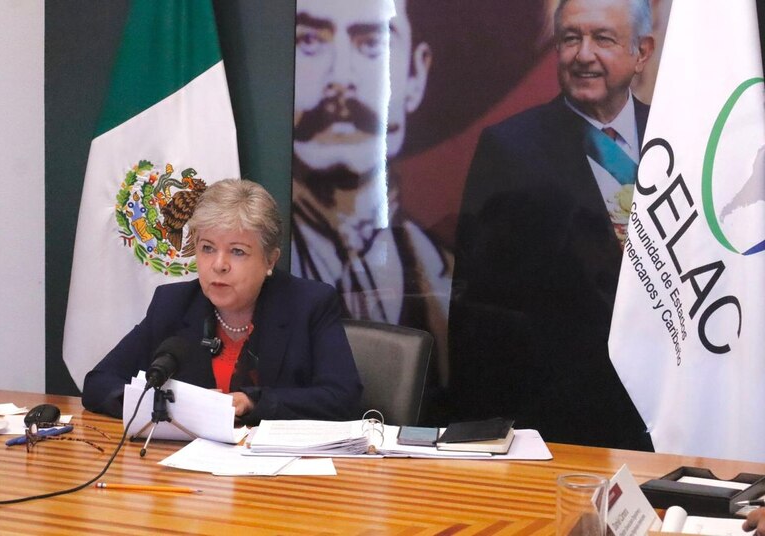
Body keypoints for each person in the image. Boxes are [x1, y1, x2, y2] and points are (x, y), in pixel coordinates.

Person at [448, 0, 656, 449]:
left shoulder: (680, 140)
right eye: (570, 39)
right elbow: (478, 309)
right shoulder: (510, 148)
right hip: (558, 422)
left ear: (642, 52)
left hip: (669, 411)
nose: (583, 54)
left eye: (603, 38)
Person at [82, 179, 363, 425]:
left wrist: (252, 403)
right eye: (207, 248)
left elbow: (342, 397)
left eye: (237, 252)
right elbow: (99, 383)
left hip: (276, 474)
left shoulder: (309, 304)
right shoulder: (173, 304)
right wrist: (171, 405)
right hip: (187, 470)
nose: (218, 265)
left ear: (270, 260)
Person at [289, 0, 452, 414]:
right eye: (310, 41)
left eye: (372, 43)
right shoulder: (251, 280)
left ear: (415, 75)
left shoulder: (448, 277)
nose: (340, 80)